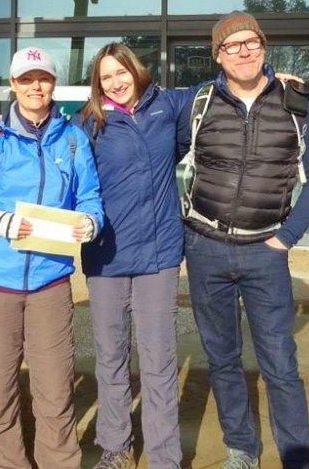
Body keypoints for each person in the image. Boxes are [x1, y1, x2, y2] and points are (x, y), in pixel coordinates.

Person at [182, 12, 309, 469]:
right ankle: (242, 449)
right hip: (205, 249)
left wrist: (287, 238)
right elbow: (141, 137)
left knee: (280, 363)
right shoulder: (198, 103)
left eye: (251, 42)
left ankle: (296, 459)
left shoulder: (298, 102)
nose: (243, 51)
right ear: (218, 55)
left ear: (264, 47)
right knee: (223, 359)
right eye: (232, 45)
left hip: (266, 251)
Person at [0, 45, 104, 469]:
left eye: (42, 78)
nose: (35, 87)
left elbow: (89, 196)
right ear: (13, 84)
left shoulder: (74, 139)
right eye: (26, 79)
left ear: (53, 84)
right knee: (0, 393)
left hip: (50, 283)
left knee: (56, 391)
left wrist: (91, 222)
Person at [75, 43, 194, 469]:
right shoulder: (87, 123)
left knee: (159, 359)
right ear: (97, 83)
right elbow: (48, 145)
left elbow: (217, 90)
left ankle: (164, 457)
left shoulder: (167, 105)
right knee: (111, 356)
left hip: (158, 256)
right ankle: (116, 446)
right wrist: (0, 122)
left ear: (135, 70)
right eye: (105, 77)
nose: (115, 82)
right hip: (106, 256)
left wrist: (268, 78)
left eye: (120, 72)